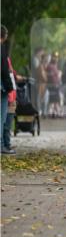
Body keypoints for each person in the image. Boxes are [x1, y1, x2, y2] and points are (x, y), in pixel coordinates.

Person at [1, 26, 17, 154]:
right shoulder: (2, 49)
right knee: (2, 118)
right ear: (4, 36)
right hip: (2, 88)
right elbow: (5, 71)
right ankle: (1, 145)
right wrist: (9, 87)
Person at [45, 53, 61, 117]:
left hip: (54, 85)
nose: (56, 59)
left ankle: (55, 113)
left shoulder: (54, 66)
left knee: (55, 101)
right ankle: (52, 113)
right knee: (53, 100)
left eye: (57, 58)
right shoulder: (50, 66)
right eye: (55, 58)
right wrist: (58, 76)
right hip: (53, 86)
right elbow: (51, 76)